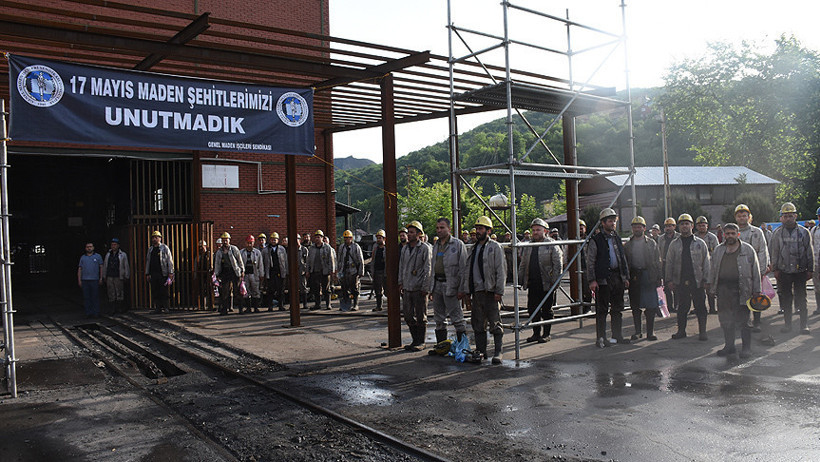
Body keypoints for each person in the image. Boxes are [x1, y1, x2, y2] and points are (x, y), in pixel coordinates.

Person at [708, 223, 760, 358]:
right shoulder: (719, 250)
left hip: (742, 290)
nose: (730, 236)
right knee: (726, 320)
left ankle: (746, 348)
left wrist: (757, 290)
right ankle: (729, 347)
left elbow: (756, 271)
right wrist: (711, 287)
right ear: (724, 235)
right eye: (727, 233)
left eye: (733, 233)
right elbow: (712, 269)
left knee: (744, 321)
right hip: (723, 291)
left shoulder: (748, 250)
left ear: (738, 234)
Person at [586, 208, 631, 347]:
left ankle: (617, 336)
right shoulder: (596, 240)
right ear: (603, 223)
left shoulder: (616, 238)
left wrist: (625, 276)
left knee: (618, 309)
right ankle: (601, 338)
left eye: (614, 221)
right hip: (603, 279)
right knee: (602, 310)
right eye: (610, 221)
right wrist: (592, 280)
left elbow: (622, 258)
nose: (613, 224)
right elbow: (590, 261)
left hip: (617, 277)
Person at [769, 202, 814, 334]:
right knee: (786, 298)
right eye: (785, 216)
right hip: (784, 271)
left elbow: (809, 252)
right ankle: (788, 325)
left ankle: (804, 325)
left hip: (800, 271)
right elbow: (774, 252)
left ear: (795, 216)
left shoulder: (804, 232)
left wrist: (810, 269)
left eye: (791, 216)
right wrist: (775, 269)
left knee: (802, 298)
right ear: (781, 217)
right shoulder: (777, 234)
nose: (788, 218)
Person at [467, 216, 506, 364]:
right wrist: (467, 289)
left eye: (481, 229)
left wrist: (499, 291)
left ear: (488, 231)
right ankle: (482, 351)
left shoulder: (495, 247)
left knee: (495, 322)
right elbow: (468, 270)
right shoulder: (474, 248)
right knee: (477, 323)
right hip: (477, 292)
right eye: (477, 229)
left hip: (491, 291)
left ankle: (498, 352)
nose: (478, 231)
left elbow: (501, 270)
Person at [666, 214, 711, 340]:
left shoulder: (700, 243)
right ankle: (681, 331)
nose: (684, 226)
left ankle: (703, 332)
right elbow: (669, 263)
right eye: (682, 224)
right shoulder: (674, 244)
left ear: (692, 226)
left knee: (700, 306)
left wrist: (707, 280)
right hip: (680, 280)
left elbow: (706, 263)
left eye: (687, 224)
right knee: (682, 307)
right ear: (678, 227)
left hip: (697, 281)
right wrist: (669, 280)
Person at [519, 218, 562, 343]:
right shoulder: (529, 246)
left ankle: (546, 334)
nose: (535, 232)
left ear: (545, 231)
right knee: (533, 309)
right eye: (533, 230)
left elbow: (558, 265)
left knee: (547, 310)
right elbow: (523, 264)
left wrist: (555, 283)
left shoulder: (552, 245)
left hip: (547, 283)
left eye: (538, 230)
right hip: (533, 283)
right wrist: (521, 279)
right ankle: (536, 333)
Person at [428, 218, 469, 345]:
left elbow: (463, 268)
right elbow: (432, 268)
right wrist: (431, 289)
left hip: (451, 286)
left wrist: (462, 289)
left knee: (457, 318)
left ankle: (462, 346)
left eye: (442, 228)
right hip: (437, 286)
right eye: (437, 228)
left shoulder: (457, 245)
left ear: (449, 229)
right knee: (439, 318)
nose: (439, 230)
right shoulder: (436, 246)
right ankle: (441, 346)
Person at [624, 216, 662, 341]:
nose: (637, 229)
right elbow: (625, 263)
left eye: (639, 226)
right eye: (634, 227)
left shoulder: (652, 243)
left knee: (650, 306)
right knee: (635, 306)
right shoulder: (628, 245)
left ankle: (650, 332)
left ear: (644, 228)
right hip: (634, 276)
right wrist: (626, 278)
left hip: (648, 275)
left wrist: (658, 277)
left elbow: (658, 261)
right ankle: (638, 332)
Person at [734, 204, 769, 331]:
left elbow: (763, 251)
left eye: (744, 215)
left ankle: (757, 322)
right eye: (739, 216)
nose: (742, 218)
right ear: (736, 217)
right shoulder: (734, 232)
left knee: (756, 295)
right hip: (738, 270)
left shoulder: (757, 232)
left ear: (749, 217)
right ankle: (743, 322)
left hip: (754, 269)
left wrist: (762, 270)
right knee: (740, 297)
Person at [398, 221, 432, 351]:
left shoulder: (424, 248)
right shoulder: (405, 249)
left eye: (412, 232)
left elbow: (428, 268)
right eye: (408, 232)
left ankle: (421, 341)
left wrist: (425, 287)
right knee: (407, 315)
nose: (409, 235)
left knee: (420, 316)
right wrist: (400, 282)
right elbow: (401, 266)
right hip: (407, 287)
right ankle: (414, 340)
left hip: (419, 288)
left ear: (419, 234)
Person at [213, 232, 243, 316]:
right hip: (225, 272)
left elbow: (239, 260)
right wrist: (217, 274)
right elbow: (217, 263)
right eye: (223, 240)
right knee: (224, 292)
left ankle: (240, 308)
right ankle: (224, 309)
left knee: (237, 290)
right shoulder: (220, 251)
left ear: (229, 240)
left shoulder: (234, 249)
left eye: (226, 240)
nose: (225, 241)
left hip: (234, 271)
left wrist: (242, 270)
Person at [144, 230, 174, 314]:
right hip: (153, 274)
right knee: (155, 291)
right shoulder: (150, 249)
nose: (154, 239)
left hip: (162, 273)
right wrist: (147, 273)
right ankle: (158, 308)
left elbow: (169, 260)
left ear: (160, 238)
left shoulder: (164, 248)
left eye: (156, 237)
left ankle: (166, 307)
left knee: (163, 291)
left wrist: (171, 272)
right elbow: (148, 261)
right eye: (153, 237)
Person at [695, 216, 720, 314]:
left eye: (703, 225)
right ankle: (699, 308)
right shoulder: (694, 237)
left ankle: (712, 308)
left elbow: (717, 251)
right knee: (697, 289)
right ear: (696, 226)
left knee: (710, 289)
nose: (702, 227)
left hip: (709, 266)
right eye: (700, 225)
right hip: (697, 267)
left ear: (707, 226)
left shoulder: (712, 237)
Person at [306, 230, 336, 310]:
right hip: (315, 271)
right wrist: (308, 270)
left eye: (318, 237)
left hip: (325, 271)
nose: (317, 239)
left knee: (326, 289)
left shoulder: (327, 247)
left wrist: (332, 270)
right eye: (316, 237)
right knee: (316, 289)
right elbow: (308, 260)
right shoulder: (311, 248)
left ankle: (328, 304)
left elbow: (331, 259)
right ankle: (317, 304)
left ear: (322, 238)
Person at [337, 230, 364, 311]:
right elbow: (339, 260)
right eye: (345, 238)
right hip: (344, 270)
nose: (346, 240)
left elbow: (360, 260)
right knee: (344, 288)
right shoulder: (342, 247)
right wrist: (339, 271)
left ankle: (355, 304)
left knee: (354, 288)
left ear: (351, 238)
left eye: (348, 238)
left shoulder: (356, 247)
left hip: (353, 271)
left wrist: (361, 272)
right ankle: (345, 304)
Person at [103, 238, 130, 314]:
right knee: (111, 292)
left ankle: (119, 308)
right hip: (110, 275)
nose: (113, 246)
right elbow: (105, 265)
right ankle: (112, 309)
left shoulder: (122, 254)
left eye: (115, 244)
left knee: (119, 292)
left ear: (118, 245)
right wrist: (104, 275)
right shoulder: (108, 254)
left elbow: (126, 265)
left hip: (118, 275)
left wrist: (126, 275)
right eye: (112, 245)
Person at [78, 242, 103, 318]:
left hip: (94, 279)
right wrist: (79, 280)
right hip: (85, 280)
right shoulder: (83, 257)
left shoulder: (98, 257)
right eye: (87, 247)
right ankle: (88, 313)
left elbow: (101, 267)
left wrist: (101, 277)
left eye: (90, 246)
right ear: (85, 248)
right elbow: (80, 269)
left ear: (93, 247)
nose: (89, 248)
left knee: (95, 297)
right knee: (86, 297)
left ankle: (96, 312)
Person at [264, 232, 288, 311]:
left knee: (280, 290)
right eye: (272, 239)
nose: (273, 241)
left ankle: (281, 305)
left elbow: (285, 261)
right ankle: (270, 306)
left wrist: (285, 272)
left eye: (275, 239)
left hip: (280, 272)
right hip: (270, 272)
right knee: (270, 290)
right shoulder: (265, 250)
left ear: (278, 240)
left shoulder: (282, 249)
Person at [240, 235, 264, 314]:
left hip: (255, 274)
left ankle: (256, 307)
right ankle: (248, 308)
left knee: (256, 291)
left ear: (253, 243)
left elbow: (260, 264)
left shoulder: (257, 252)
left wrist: (261, 274)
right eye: (248, 243)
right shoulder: (241, 252)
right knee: (246, 291)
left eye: (251, 243)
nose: (249, 244)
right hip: (245, 274)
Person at [369, 230, 387, 312]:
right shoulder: (375, 248)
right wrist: (372, 271)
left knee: (387, 290)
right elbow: (373, 260)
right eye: (378, 238)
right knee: (377, 290)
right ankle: (379, 306)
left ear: (384, 239)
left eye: (380, 238)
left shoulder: (387, 248)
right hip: (377, 271)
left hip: (385, 271)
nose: (378, 240)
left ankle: (390, 306)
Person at [579, 219, 592, 313]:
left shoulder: (589, 239)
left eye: (581, 228)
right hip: (576, 267)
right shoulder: (571, 238)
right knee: (578, 289)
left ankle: (587, 307)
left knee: (587, 289)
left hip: (586, 267)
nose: (580, 229)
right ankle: (578, 307)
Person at [812, 207, 820, 315]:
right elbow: (812, 246)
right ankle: (819, 307)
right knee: (817, 286)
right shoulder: (814, 230)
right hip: (816, 263)